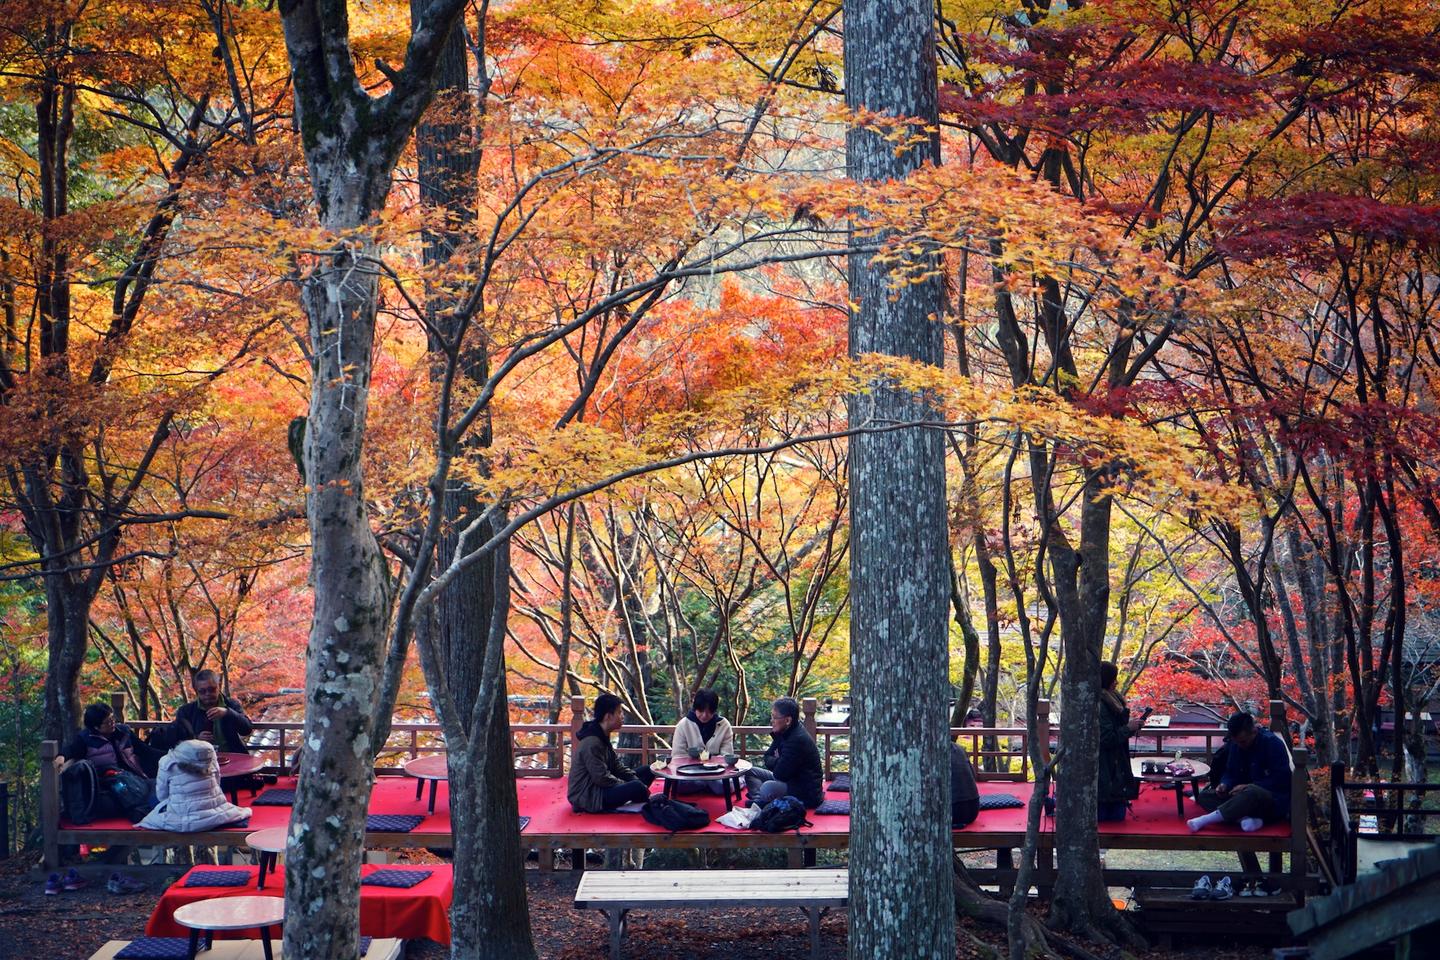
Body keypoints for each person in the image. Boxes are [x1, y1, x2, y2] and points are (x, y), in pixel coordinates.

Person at [1190, 711, 1291, 894]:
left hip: (1270, 798)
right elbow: (1231, 771)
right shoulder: (1236, 746)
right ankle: (1244, 818)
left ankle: (1206, 820)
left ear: (1254, 731)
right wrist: (1224, 784)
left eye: (1243, 741)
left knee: (1251, 793)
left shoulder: (1272, 744)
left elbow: (1281, 780)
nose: (1240, 745)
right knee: (1205, 796)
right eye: (1237, 741)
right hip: (1242, 796)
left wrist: (1248, 785)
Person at [59, 703, 161, 819]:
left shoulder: (123, 732)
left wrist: (170, 755)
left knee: (158, 785)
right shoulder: (85, 739)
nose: (113, 722)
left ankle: (142, 810)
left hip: (134, 777)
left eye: (112, 718)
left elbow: (145, 750)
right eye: (107, 722)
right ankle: (140, 811)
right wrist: (61, 756)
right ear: (96, 727)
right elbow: (71, 750)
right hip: (109, 782)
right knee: (123, 793)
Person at [138, 739, 252, 832]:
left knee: (149, 796)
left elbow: (162, 795)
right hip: (215, 814)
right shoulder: (211, 758)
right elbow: (218, 781)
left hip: (182, 817)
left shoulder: (168, 761)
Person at [568, 693, 651, 812]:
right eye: (619, 712)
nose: (622, 716)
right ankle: (638, 797)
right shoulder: (592, 742)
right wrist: (628, 785)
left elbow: (617, 767)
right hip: (589, 795)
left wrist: (633, 779)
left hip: (601, 786)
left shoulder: (602, 734)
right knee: (636, 787)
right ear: (608, 716)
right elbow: (601, 778)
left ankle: (637, 796)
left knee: (648, 771)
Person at [746, 697, 824, 808]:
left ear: (787, 720)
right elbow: (767, 756)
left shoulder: (797, 739)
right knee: (750, 772)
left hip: (804, 791)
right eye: (771, 716)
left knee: (767, 788)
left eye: (774, 717)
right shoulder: (783, 732)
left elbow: (779, 774)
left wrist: (777, 760)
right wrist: (779, 760)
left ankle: (762, 802)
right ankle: (759, 801)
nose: (771, 720)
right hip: (788, 780)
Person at [166, 669, 254, 754]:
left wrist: (228, 713)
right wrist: (196, 739)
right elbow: (177, 740)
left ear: (218, 686)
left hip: (231, 756)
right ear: (196, 691)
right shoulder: (186, 711)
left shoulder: (231, 705)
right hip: (198, 759)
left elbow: (247, 729)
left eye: (211, 689)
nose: (207, 694)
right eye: (202, 691)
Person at [669, 688, 735, 795]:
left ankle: (705, 787)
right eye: (701, 711)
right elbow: (677, 757)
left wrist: (711, 764)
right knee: (680, 786)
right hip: (690, 773)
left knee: (721, 786)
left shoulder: (723, 725)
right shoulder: (683, 725)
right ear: (695, 708)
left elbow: (726, 756)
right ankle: (706, 787)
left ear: (715, 710)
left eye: (709, 712)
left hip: (716, 773)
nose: (704, 715)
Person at [1097, 661, 1140, 821]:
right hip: (1107, 764)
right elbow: (1107, 738)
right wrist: (1128, 728)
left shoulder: (1113, 700)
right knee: (1108, 814)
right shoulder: (1101, 705)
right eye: (1113, 678)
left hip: (1115, 762)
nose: (1116, 682)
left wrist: (1130, 727)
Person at [951, 740, 980, 827]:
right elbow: (973, 776)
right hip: (973, 809)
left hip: (952, 811)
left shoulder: (932, 751)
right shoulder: (960, 749)